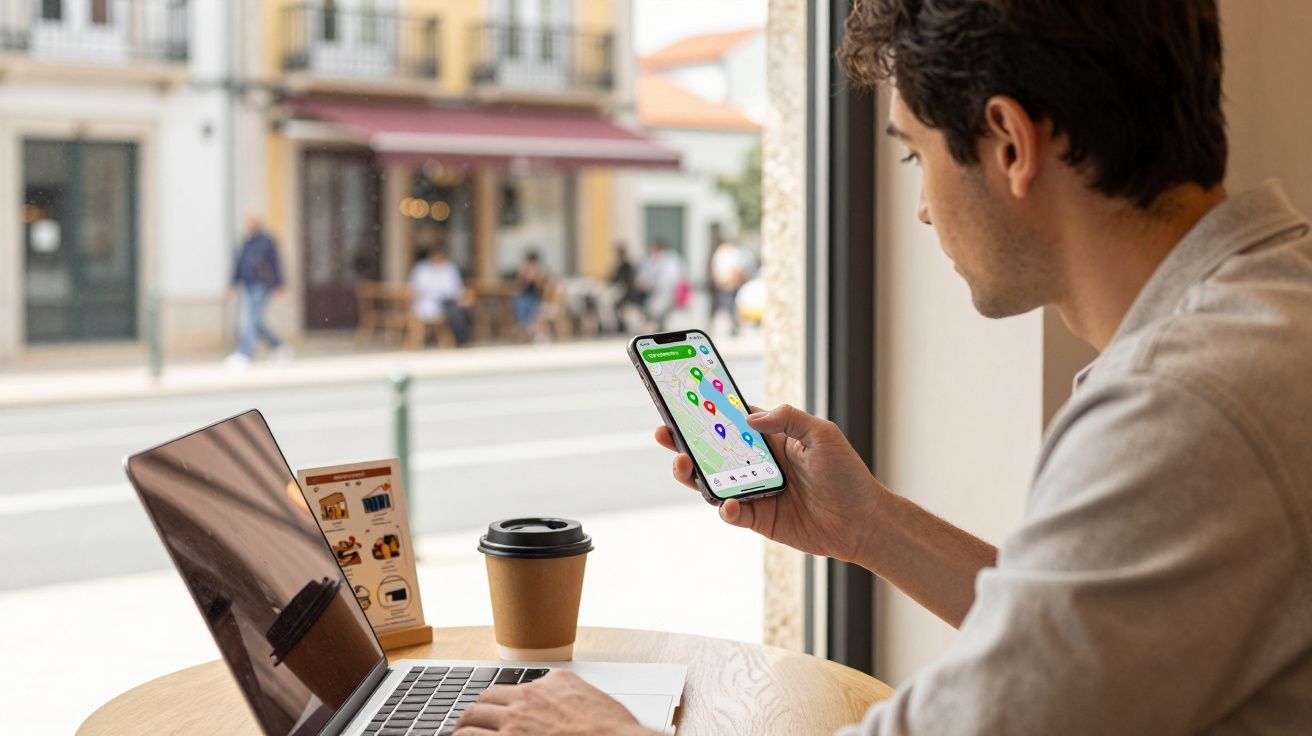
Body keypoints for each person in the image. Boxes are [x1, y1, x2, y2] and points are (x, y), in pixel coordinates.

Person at [453, 1, 1312, 734]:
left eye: (915, 154)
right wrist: (867, 526)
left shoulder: (1188, 404)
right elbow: (1077, 640)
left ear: (1010, 143)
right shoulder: (1261, 314)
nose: (925, 211)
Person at [225, 213, 290, 370]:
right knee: (255, 321)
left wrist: (280, 283)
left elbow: (275, 262)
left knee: (251, 318)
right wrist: (233, 284)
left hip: (262, 285)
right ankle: (279, 347)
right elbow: (239, 264)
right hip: (248, 285)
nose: (249, 223)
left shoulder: (266, 241)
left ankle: (244, 353)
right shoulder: (247, 242)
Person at [409, 246, 471, 346]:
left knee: (463, 311)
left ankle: (463, 339)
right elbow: (416, 289)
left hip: (449, 300)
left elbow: (456, 288)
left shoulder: (449, 268)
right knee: (455, 312)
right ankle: (460, 340)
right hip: (428, 303)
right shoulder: (422, 270)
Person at [634, 239, 685, 332]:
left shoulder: (670, 261)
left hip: (666, 293)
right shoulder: (653, 261)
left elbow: (673, 278)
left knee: (660, 314)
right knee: (657, 314)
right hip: (657, 294)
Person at [708, 238, 751, 335]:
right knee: (726, 306)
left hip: (732, 284)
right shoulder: (723, 253)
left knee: (732, 306)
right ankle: (732, 325)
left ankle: (734, 325)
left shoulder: (734, 252)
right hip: (725, 284)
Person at [512, 250, 548, 340]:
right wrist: (523, 276)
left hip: (535, 298)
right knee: (519, 304)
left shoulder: (540, 271)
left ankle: (529, 331)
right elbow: (518, 285)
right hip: (524, 297)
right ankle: (526, 330)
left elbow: (542, 287)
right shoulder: (524, 271)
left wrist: (535, 277)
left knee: (532, 309)